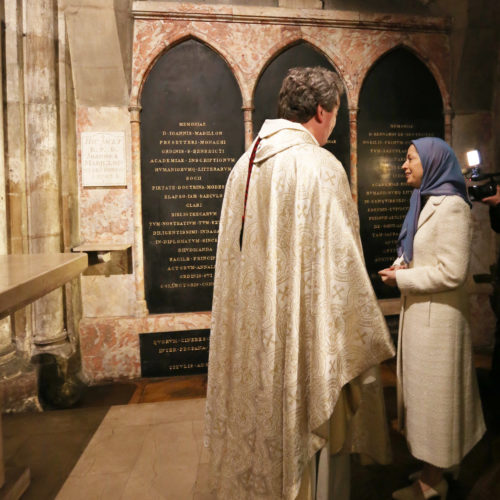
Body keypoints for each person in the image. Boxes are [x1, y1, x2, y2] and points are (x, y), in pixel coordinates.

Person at [204, 66, 395, 500]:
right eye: (337, 114)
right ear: (323, 111)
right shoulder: (320, 167)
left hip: (259, 334)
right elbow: (341, 270)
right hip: (304, 336)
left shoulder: (245, 164)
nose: (335, 125)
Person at [379, 137, 486, 500]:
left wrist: (402, 279)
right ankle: (433, 467)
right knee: (426, 402)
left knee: (435, 403)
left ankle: (433, 481)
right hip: (424, 318)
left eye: (410, 159)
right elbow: (422, 252)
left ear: (432, 161)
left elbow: (453, 272)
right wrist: (402, 264)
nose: (404, 165)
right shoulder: (422, 201)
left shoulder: (453, 206)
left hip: (439, 323)